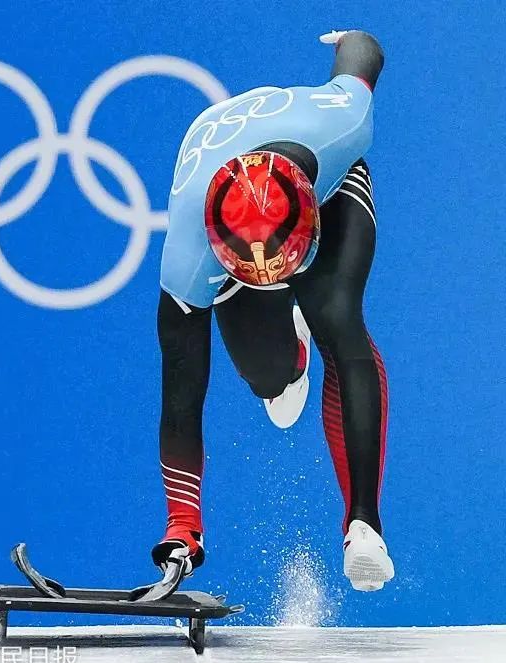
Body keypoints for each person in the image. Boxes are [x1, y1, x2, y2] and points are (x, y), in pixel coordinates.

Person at [151, 30, 394, 596]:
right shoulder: (188, 259)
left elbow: (362, 51)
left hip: (327, 185)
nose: (269, 273)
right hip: (229, 190)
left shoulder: (343, 124)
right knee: (270, 383)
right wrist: (183, 528)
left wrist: (348, 38)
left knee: (336, 312)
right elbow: (181, 399)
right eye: (252, 269)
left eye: (279, 266)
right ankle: (290, 357)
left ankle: (363, 524)